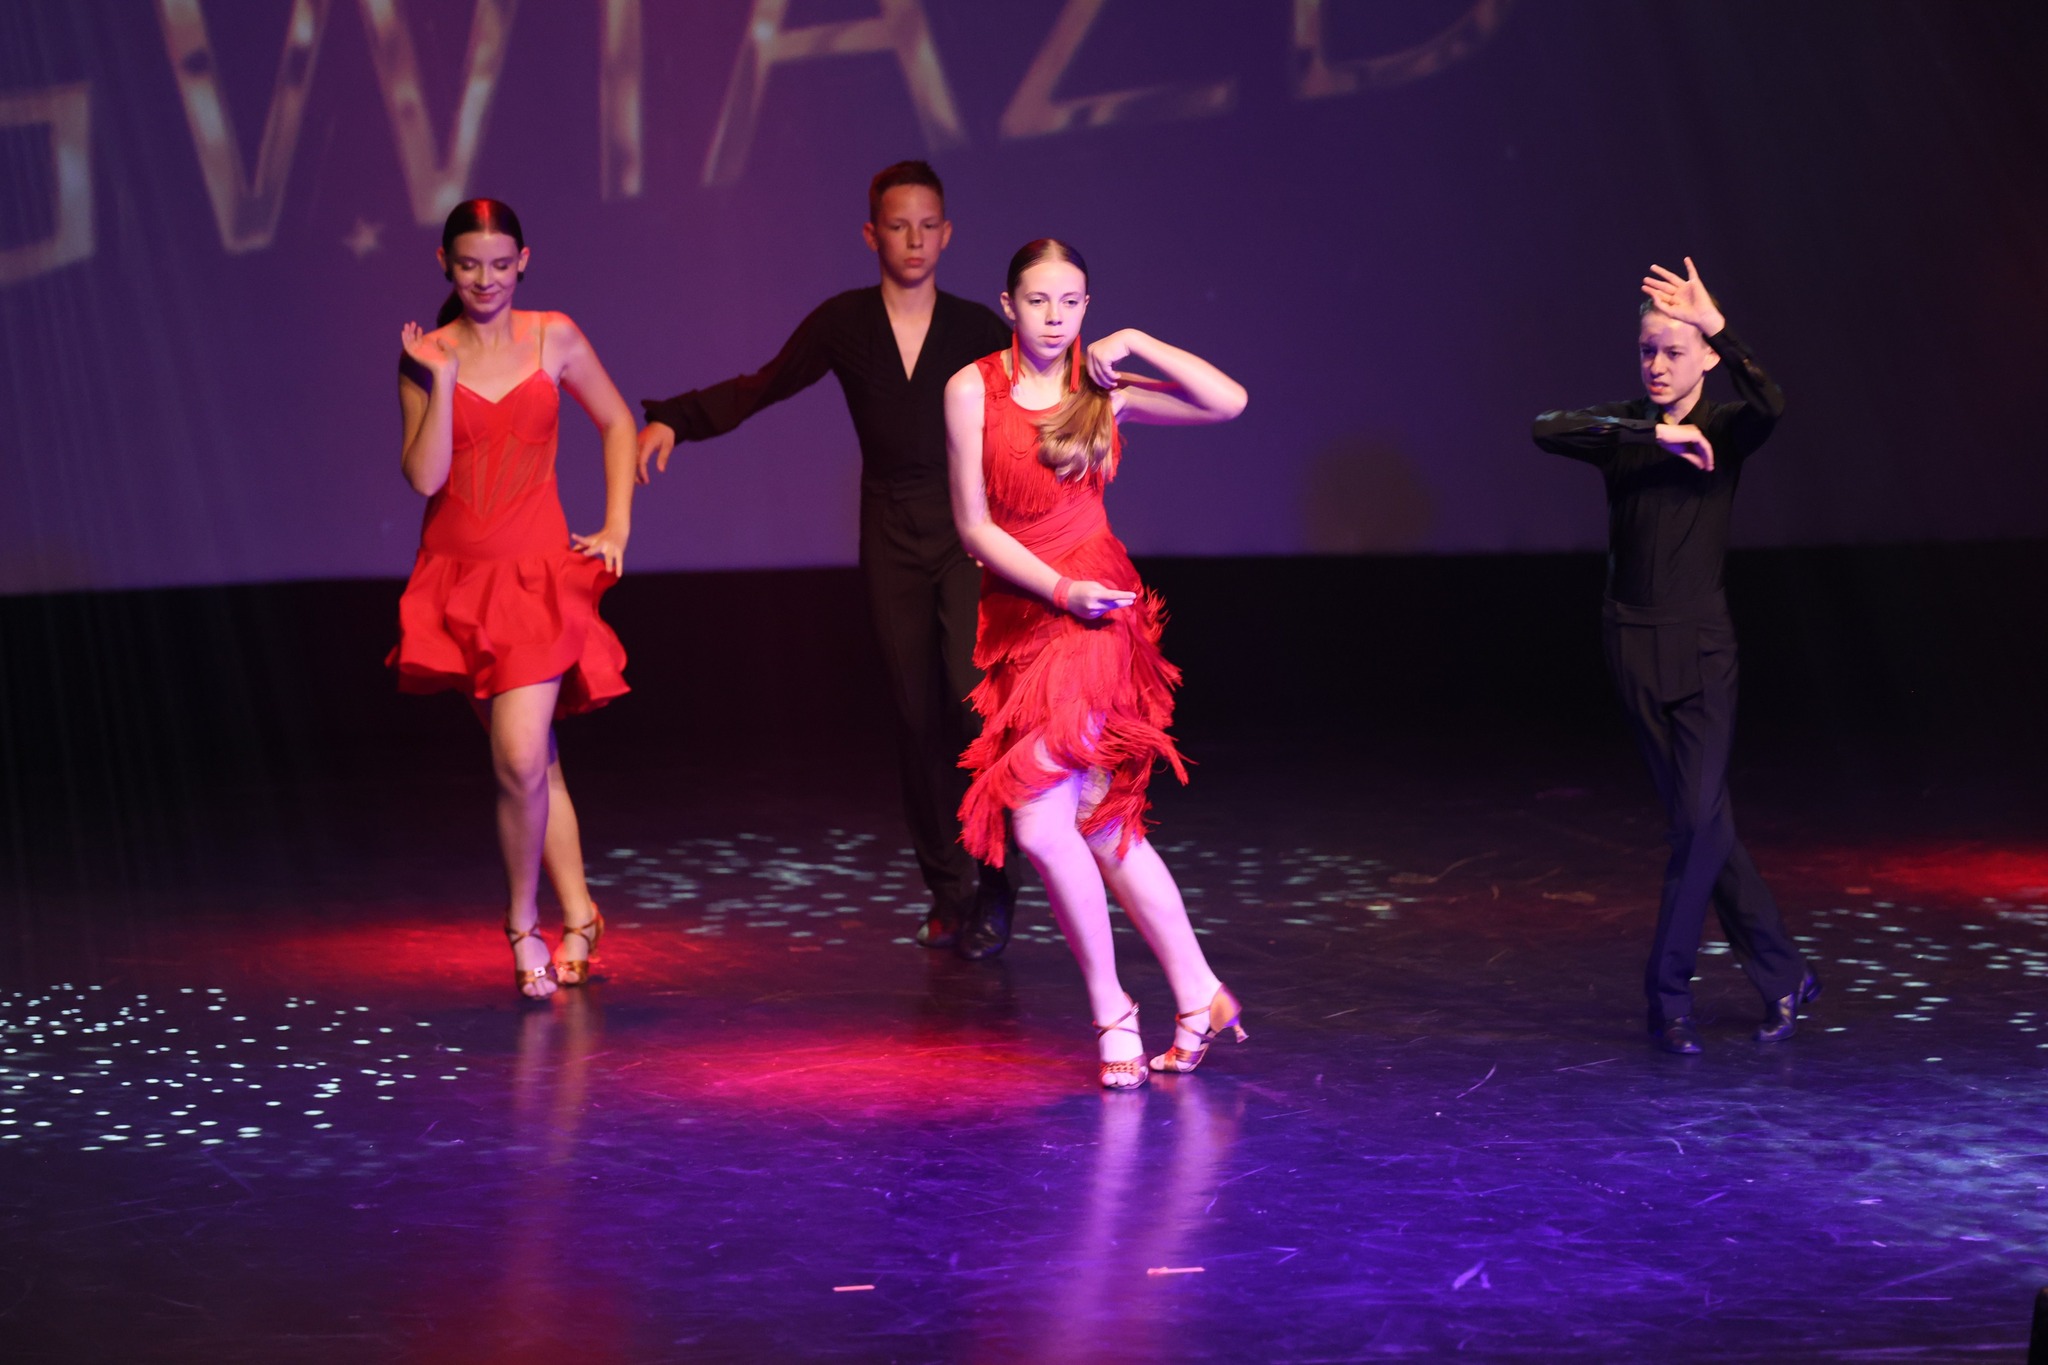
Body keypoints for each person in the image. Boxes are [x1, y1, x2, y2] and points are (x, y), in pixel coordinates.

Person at [638, 161, 1020, 959]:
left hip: (965, 529)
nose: (913, 240)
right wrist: (676, 418)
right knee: (914, 715)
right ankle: (948, 891)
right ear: (871, 233)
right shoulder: (845, 321)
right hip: (889, 529)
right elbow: (765, 384)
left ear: (947, 234)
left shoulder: (979, 329)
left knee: (971, 704)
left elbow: (1034, 408)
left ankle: (995, 882)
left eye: (927, 226)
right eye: (898, 225)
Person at [944, 238, 1248, 1089]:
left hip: (1098, 613)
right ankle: (1199, 992)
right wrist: (1054, 588)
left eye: (1071, 301)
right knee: (1103, 826)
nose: (1055, 317)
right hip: (1026, 610)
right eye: (1039, 300)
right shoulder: (970, 388)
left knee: (1042, 828)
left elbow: (1228, 401)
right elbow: (973, 526)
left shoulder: (1100, 387)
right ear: (1008, 305)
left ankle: (1113, 1010)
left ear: (1087, 307)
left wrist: (1139, 340)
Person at [1532, 257, 1819, 1054]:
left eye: (1674, 351)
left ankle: (1668, 997)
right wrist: (1651, 434)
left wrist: (1719, 324)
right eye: (1647, 352)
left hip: (1702, 651)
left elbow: (1773, 402)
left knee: (1697, 826)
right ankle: (1786, 972)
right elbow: (1546, 426)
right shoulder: (1627, 429)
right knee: (1704, 825)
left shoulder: (1728, 429)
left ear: (1706, 359)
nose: (1657, 366)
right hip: (1630, 644)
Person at [388, 198, 640, 999]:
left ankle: (521, 923)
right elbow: (425, 477)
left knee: (521, 756)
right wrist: (441, 377)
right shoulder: (426, 355)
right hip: (457, 583)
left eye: (500, 264)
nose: (486, 279)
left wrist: (616, 524)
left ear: (523, 262)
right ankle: (582, 915)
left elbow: (617, 421)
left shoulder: (553, 335)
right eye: (469, 265)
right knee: (534, 767)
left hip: (535, 578)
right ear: (445, 264)